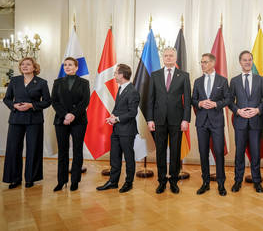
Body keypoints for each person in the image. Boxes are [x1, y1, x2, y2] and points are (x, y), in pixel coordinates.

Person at [147, 47, 191, 194]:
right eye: (166, 56)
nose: (168, 58)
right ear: (163, 58)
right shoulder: (155, 75)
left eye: (171, 56)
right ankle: (161, 181)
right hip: (158, 120)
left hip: (177, 120)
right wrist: (150, 119)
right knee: (160, 151)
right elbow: (150, 99)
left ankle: (173, 180)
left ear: (175, 57)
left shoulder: (184, 76)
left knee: (175, 152)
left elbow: (188, 100)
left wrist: (186, 120)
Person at [2, 57, 51, 189]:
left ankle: (31, 178)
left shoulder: (41, 82)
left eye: (28, 64)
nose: (24, 66)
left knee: (33, 148)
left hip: (34, 120)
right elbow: (7, 99)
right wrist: (14, 106)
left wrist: (31, 105)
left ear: (34, 67)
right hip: (16, 118)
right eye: (22, 64)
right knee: (13, 149)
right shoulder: (14, 81)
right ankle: (14, 179)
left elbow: (47, 101)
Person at [192, 53, 231, 196]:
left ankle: (221, 183)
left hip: (216, 122)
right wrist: (200, 103)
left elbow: (228, 99)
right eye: (201, 62)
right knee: (203, 153)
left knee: (219, 152)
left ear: (213, 63)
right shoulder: (197, 81)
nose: (202, 64)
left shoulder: (222, 81)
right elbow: (193, 100)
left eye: (205, 62)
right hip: (202, 122)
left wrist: (216, 104)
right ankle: (205, 183)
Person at [97, 64, 140, 193]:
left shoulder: (132, 91)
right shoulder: (121, 89)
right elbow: (119, 109)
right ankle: (113, 181)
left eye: (116, 73)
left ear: (122, 75)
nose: (114, 75)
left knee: (128, 157)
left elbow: (132, 113)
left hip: (127, 131)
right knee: (114, 157)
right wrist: (112, 116)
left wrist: (116, 119)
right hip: (117, 130)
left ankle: (128, 183)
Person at [229, 50, 263, 193]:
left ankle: (257, 181)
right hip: (240, 122)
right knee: (239, 154)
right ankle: (238, 180)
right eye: (245, 60)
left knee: (255, 153)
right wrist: (238, 111)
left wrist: (257, 110)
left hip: (256, 122)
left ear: (252, 61)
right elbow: (230, 101)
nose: (247, 62)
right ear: (240, 62)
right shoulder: (234, 80)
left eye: (250, 59)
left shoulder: (261, 79)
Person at [51, 57, 90, 192]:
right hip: (61, 120)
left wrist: (72, 114)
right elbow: (54, 101)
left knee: (77, 151)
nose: (67, 67)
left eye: (70, 65)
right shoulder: (57, 82)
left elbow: (85, 102)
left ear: (76, 67)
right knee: (63, 151)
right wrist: (65, 115)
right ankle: (61, 181)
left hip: (78, 120)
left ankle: (75, 181)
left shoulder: (84, 82)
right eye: (65, 65)